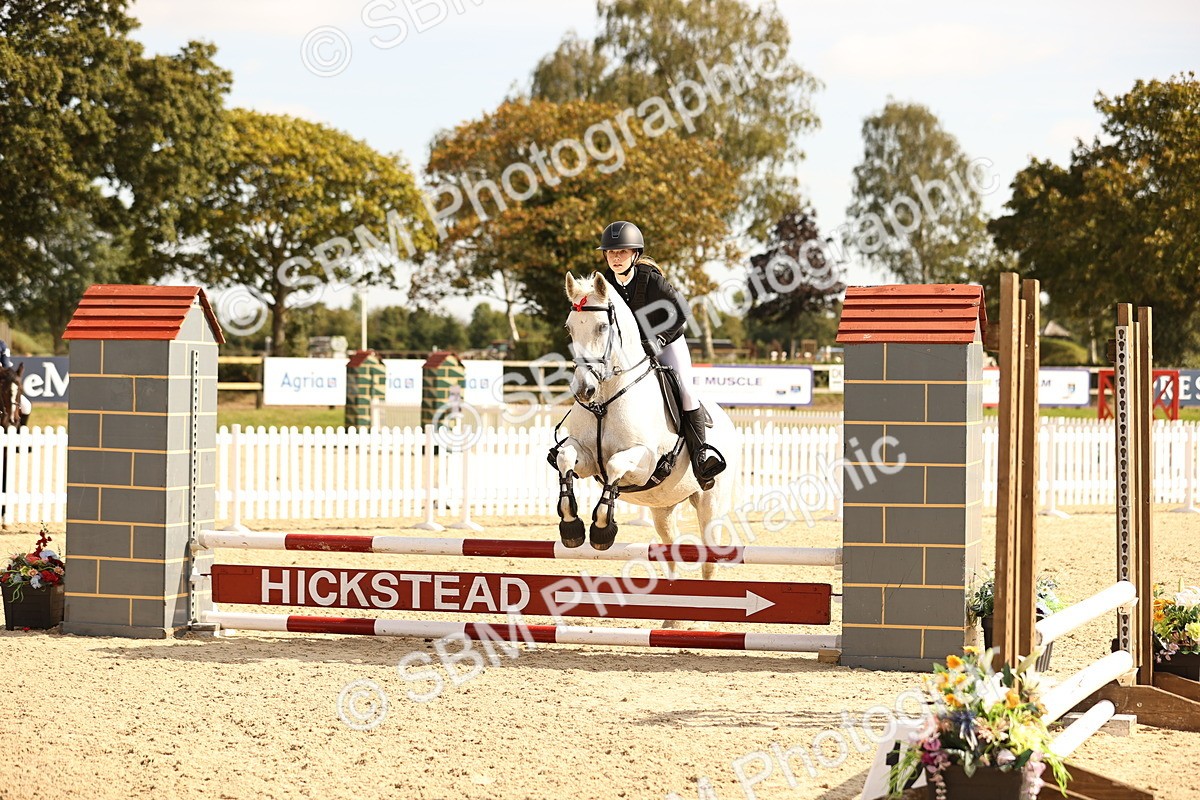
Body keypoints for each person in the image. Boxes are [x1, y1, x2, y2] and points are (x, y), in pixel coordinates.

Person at [596, 220, 725, 488]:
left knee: (686, 390)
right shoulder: (605, 283)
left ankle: (701, 456)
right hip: (630, 352)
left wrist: (659, 339)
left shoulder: (651, 280)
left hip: (667, 343)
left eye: (622, 252)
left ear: (635, 255)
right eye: (611, 252)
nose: (616, 258)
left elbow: (681, 312)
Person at [0, 340, 32, 426]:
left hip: (2, 384)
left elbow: (6, 368)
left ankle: (21, 432)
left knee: (26, 406)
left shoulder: (2, 345)